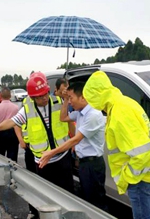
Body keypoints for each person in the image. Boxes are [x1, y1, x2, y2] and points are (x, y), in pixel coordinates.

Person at [0, 72, 74, 219]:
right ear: (32, 97)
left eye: (45, 94)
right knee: (46, 198)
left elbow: (73, 118)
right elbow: (12, 121)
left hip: (62, 158)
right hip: (42, 162)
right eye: (39, 97)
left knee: (67, 196)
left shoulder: (59, 102)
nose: (44, 98)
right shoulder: (27, 109)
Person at [83, 71, 150, 219]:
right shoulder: (122, 104)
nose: (90, 103)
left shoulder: (120, 112)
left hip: (141, 179)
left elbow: (141, 154)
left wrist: (126, 177)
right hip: (143, 177)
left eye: (90, 98)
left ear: (98, 95)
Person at [39, 81, 108, 211]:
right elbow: (63, 117)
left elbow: (75, 140)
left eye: (71, 98)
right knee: (88, 198)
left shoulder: (92, 115)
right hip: (84, 164)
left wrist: (51, 152)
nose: (70, 102)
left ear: (82, 97)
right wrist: (64, 100)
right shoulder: (81, 112)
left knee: (97, 202)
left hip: (92, 165)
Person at [0, 87, 19, 161]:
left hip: (0, 132)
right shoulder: (16, 107)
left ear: (1, 96)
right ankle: (13, 171)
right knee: (13, 156)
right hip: (13, 132)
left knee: (1, 155)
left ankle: (2, 171)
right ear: (10, 96)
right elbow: (18, 122)